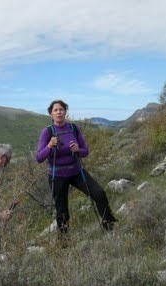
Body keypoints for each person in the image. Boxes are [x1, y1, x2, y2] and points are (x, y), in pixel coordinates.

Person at [35, 99, 116, 236]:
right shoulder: (47, 132)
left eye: (61, 109)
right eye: (55, 110)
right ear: (51, 114)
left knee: (99, 193)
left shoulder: (74, 128)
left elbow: (85, 151)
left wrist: (78, 149)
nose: (59, 112)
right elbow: (39, 158)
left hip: (76, 171)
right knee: (62, 211)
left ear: (65, 112)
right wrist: (49, 146)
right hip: (57, 176)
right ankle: (64, 242)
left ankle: (109, 227)